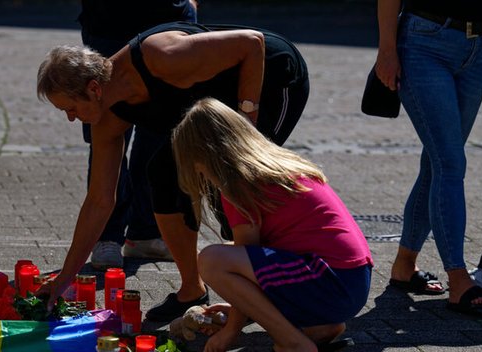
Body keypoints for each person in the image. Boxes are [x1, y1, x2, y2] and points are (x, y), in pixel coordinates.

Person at [36, 22, 309, 321]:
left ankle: (287, 296)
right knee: (163, 176)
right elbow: (100, 200)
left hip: (269, 78)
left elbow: (251, 43)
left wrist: (247, 119)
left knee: (238, 189)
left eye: (70, 109)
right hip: (213, 107)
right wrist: (65, 277)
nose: (71, 120)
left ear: (94, 88)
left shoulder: (161, 56)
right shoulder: (106, 119)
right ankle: (192, 290)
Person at [172, 97, 373, 352]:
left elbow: (246, 256)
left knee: (213, 260)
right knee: (231, 255)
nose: (200, 174)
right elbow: (261, 259)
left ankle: (293, 346)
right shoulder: (277, 166)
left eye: (197, 167)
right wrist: (240, 307)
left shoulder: (239, 183)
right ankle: (320, 330)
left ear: (207, 156)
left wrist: (231, 332)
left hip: (331, 281)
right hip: (351, 281)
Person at [375, 0, 482, 313]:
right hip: (424, 41)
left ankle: (404, 267)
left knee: (437, 162)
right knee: (450, 163)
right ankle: (458, 279)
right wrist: (387, 50)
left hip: (479, 45)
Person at [78, 0, 198, 270]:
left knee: (162, 132)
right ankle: (106, 237)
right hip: (108, 24)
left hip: (169, 18)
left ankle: (146, 233)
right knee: (106, 132)